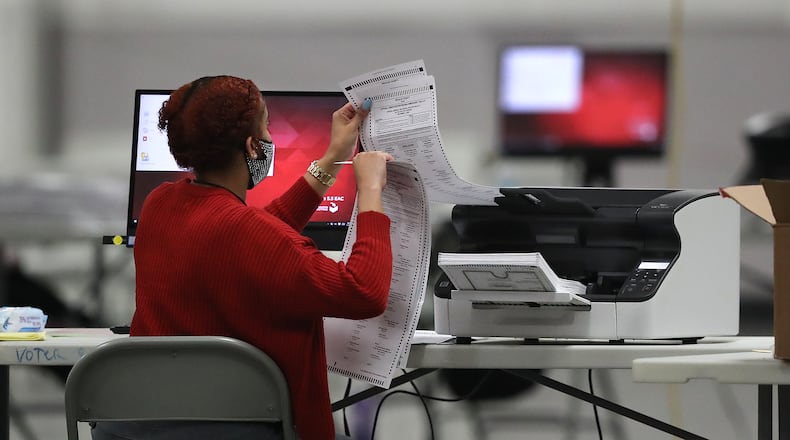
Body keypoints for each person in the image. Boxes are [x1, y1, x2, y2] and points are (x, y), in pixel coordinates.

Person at [92, 75, 393, 440]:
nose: (270, 137)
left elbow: (256, 233)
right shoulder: (252, 236)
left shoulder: (159, 205)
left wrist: (332, 159)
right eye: (266, 126)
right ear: (252, 147)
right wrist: (371, 189)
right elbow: (363, 291)